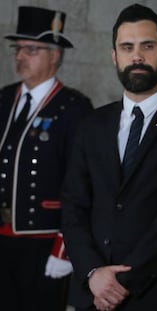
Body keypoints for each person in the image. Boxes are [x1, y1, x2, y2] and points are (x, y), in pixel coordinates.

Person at [61, 3, 157, 311]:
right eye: (127, 47)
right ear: (114, 56)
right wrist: (93, 273)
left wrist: (120, 283)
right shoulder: (92, 124)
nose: (137, 57)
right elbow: (73, 206)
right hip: (93, 294)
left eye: (148, 46)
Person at [0, 5, 93, 311]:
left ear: (54, 56)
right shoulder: (3, 99)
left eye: (31, 50)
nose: (19, 57)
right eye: (18, 49)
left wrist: (64, 250)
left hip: (42, 244)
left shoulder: (73, 108)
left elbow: (81, 185)